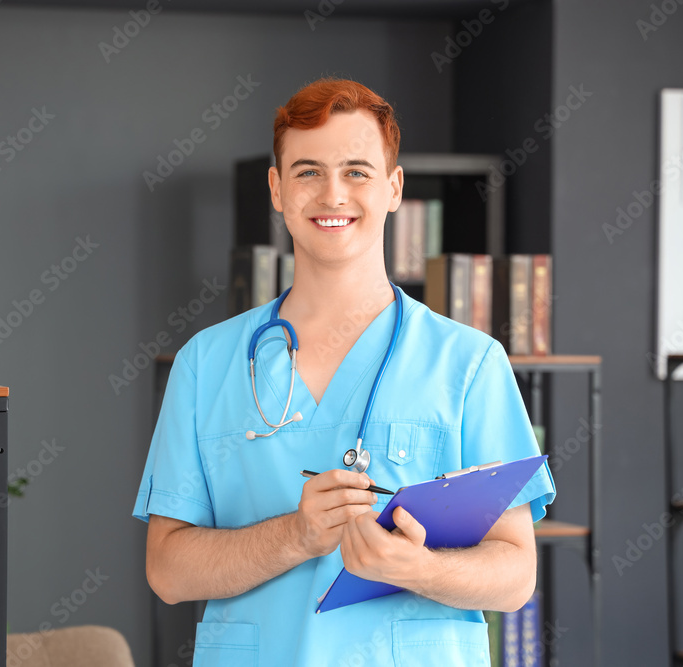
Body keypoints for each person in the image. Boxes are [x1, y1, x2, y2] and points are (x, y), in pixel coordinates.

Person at [132, 77, 555, 665]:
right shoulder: (207, 364)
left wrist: (419, 568)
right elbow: (168, 571)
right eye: (307, 171)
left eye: (357, 171)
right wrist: (298, 535)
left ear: (393, 188)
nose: (333, 194)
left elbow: (515, 576)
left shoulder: (470, 363)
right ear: (277, 189)